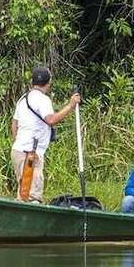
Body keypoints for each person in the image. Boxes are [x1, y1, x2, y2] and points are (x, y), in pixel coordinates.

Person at [11, 66, 81, 202]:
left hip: (18, 150)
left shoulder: (23, 99)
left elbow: (14, 124)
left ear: (32, 82)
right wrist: (70, 106)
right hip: (31, 154)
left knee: (23, 193)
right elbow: (51, 120)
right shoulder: (43, 100)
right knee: (32, 196)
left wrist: (17, 142)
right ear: (49, 83)